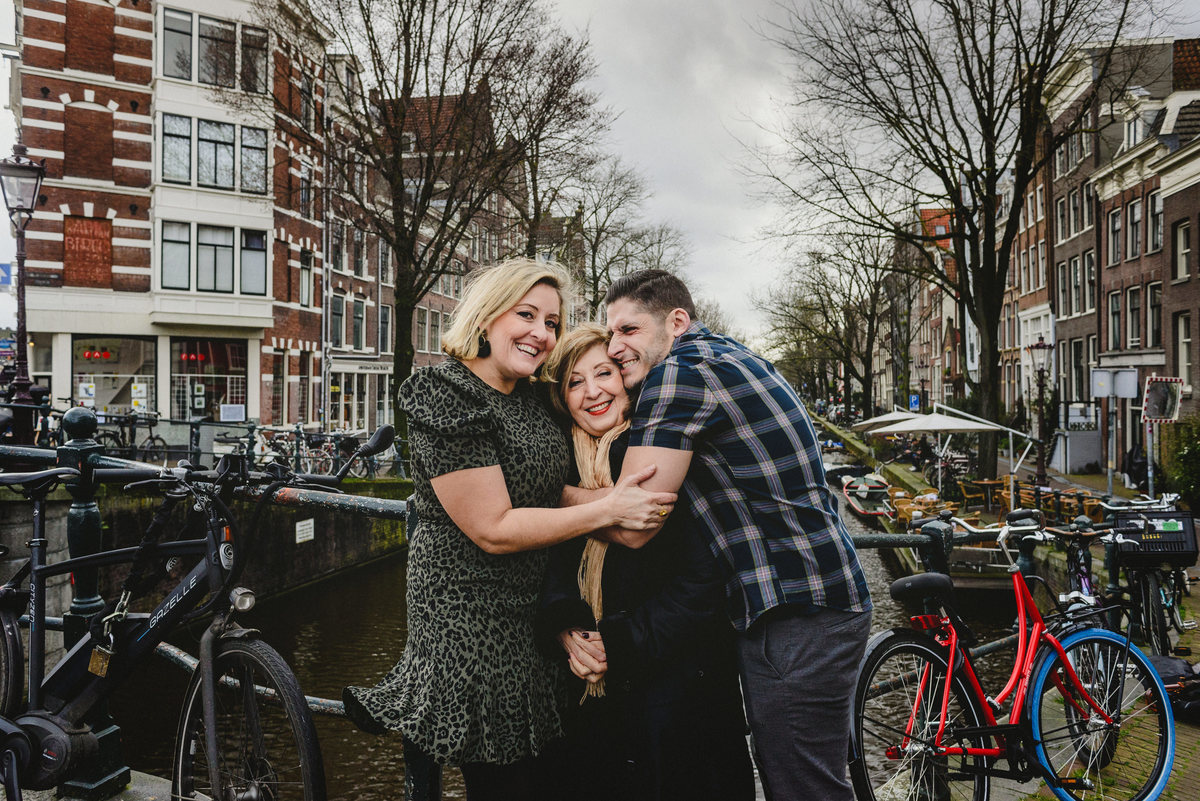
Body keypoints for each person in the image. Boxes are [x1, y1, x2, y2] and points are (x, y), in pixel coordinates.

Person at [342, 260, 676, 801]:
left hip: (531, 621)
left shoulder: (528, 395)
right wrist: (611, 508)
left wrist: (605, 500)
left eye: (551, 322)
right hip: (472, 628)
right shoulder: (442, 391)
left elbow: (545, 491)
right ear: (487, 313)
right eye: (527, 314)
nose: (541, 333)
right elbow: (493, 527)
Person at [592, 269, 874, 801]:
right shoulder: (730, 356)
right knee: (806, 776)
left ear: (676, 322)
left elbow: (633, 522)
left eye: (628, 330)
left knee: (801, 787)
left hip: (797, 612)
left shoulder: (681, 373)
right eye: (611, 334)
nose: (614, 346)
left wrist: (547, 499)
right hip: (820, 598)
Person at [537, 324, 754, 801]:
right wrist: (567, 629)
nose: (592, 391)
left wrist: (618, 642)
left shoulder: (663, 451)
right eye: (575, 382)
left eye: (605, 373)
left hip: (675, 691)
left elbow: (705, 579)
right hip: (586, 683)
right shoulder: (555, 461)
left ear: (627, 379)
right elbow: (547, 560)